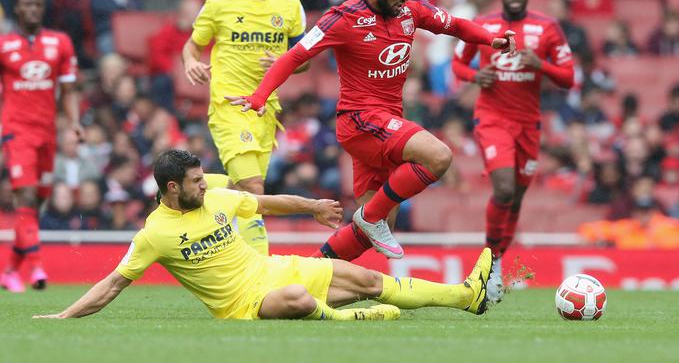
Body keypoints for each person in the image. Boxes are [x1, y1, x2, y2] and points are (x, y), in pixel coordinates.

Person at [227, 0, 515, 261]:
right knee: (439, 156)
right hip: (360, 120)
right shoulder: (342, 18)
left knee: (369, 233)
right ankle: (371, 216)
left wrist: (491, 38)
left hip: (385, 126)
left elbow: (455, 26)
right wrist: (259, 96)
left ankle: (309, 273)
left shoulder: (411, 9)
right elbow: (296, 56)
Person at [33, 150, 492, 320]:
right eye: (195, 181)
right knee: (295, 299)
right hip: (243, 306)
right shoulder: (155, 234)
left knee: (367, 280)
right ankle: (347, 319)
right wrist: (63, 317)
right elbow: (113, 283)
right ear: (171, 189)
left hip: (272, 268)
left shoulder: (213, 196)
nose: (204, 183)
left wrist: (312, 206)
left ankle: (464, 296)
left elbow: (266, 203)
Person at [182, 0, 308, 256]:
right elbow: (191, 48)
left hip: (266, 112)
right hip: (229, 108)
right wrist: (190, 63)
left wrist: (285, 63)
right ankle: (262, 271)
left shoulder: (290, 6)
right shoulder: (218, 5)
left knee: (241, 190)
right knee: (254, 190)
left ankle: (191, 183)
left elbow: (304, 61)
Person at [452, 0, 574, 302]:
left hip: (528, 124)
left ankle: (498, 260)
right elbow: (458, 64)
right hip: (491, 119)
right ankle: (489, 263)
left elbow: (568, 77)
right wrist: (476, 76)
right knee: (503, 188)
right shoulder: (483, 25)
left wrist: (541, 65)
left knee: (516, 198)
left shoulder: (547, 28)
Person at [0, 0, 81, 293]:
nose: (33, 10)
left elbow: (70, 89)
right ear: (18, 9)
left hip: (47, 132)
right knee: (27, 197)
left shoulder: (59, 42)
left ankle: (9, 271)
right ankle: (36, 269)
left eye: (38, 4)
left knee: (36, 203)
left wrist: (74, 122)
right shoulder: (4, 45)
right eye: (27, 5)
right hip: (16, 130)